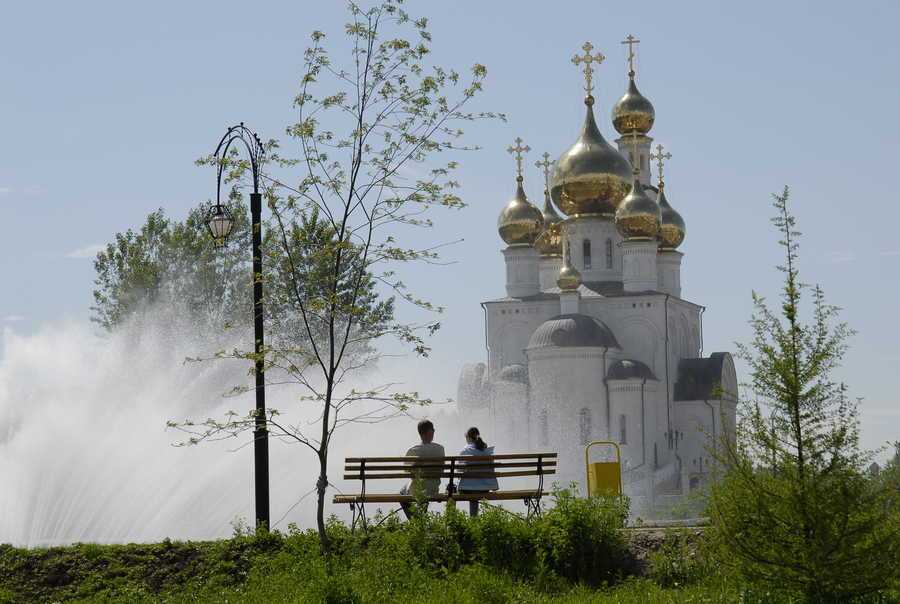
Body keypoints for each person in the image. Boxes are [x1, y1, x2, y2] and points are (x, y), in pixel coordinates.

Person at [400, 419, 445, 519]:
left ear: (420, 433)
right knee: (423, 486)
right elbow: (441, 469)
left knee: (402, 493)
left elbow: (406, 471)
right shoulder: (440, 449)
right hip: (434, 488)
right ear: (431, 432)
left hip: (418, 489)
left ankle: (415, 521)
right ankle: (419, 519)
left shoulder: (413, 450)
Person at [458, 426, 499, 517]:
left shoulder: (465, 450)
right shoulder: (486, 451)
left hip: (468, 489)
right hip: (484, 488)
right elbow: (491, 469)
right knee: (475, 487)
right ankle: (474, 519)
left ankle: (473, 520)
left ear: (468, 437)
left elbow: (459, 470)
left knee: (470, 486)